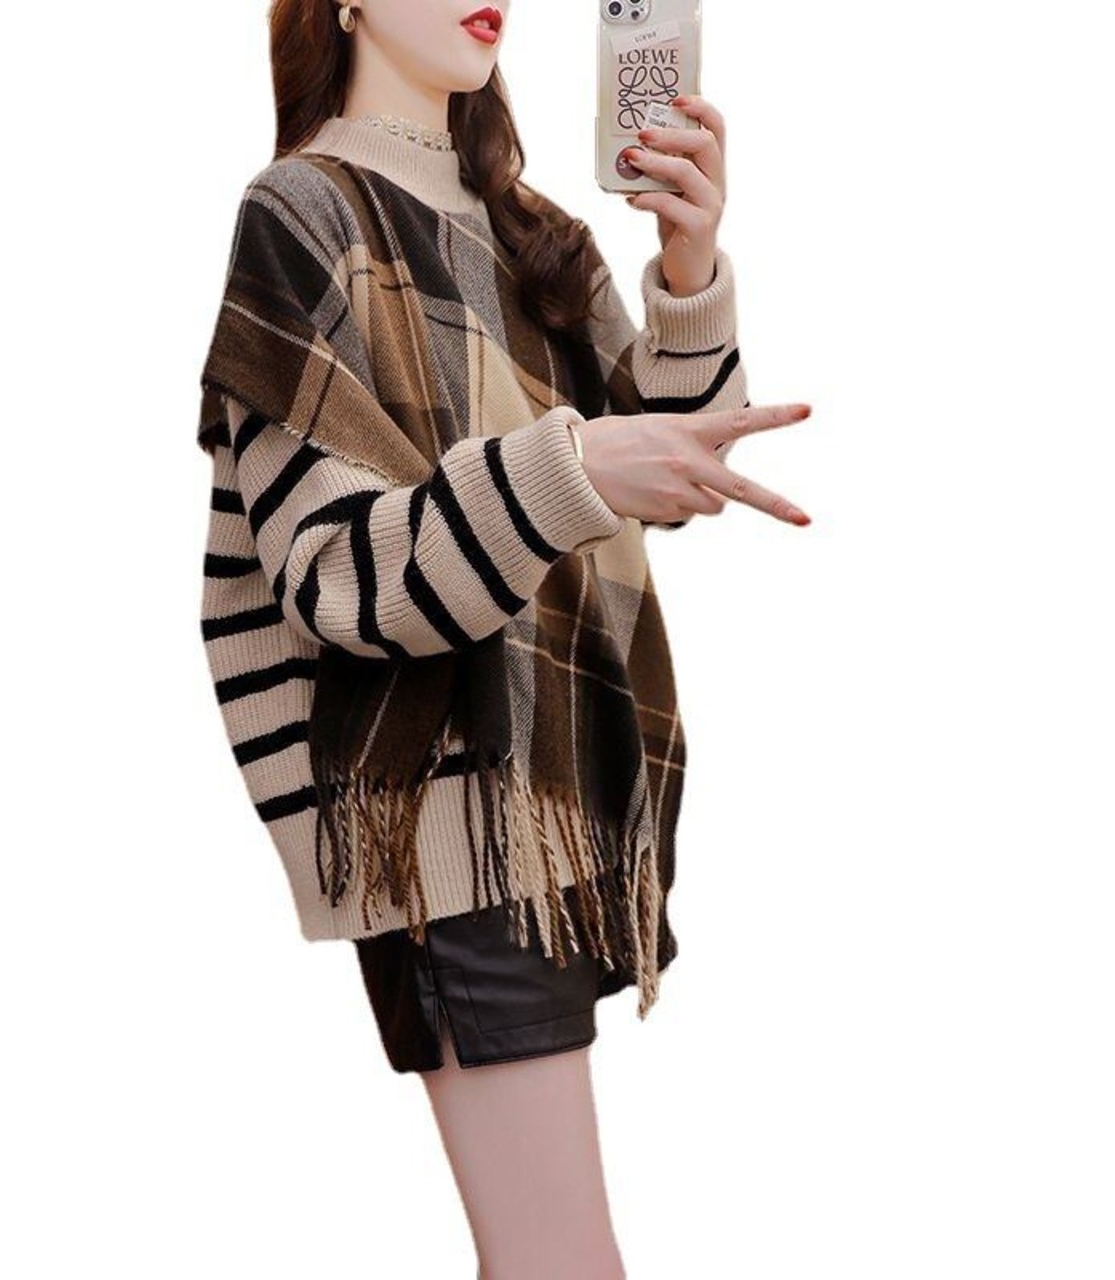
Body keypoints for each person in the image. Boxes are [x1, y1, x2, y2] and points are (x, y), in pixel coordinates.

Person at [195, 2, 812, 1276]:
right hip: (442, 813)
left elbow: (668, 473)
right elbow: (338, 576)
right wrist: (575, 464)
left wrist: (687, 265)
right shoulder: (300, 212)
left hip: (560, 785)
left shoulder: (533, 231)